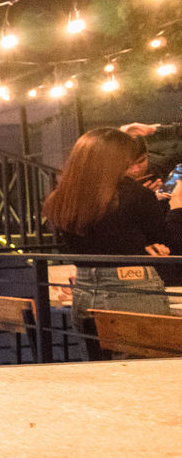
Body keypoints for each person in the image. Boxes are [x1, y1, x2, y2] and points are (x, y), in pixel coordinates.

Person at [43, 127, 182, 330]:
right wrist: (176, 207)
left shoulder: (63, 198)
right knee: (141, 361)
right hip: (132, 291)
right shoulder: (135, 195)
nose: (132, 168)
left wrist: (143, 245)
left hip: (84, 288)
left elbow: (112, 235)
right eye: (127, 160)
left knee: (97, 359)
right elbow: (170, 243)